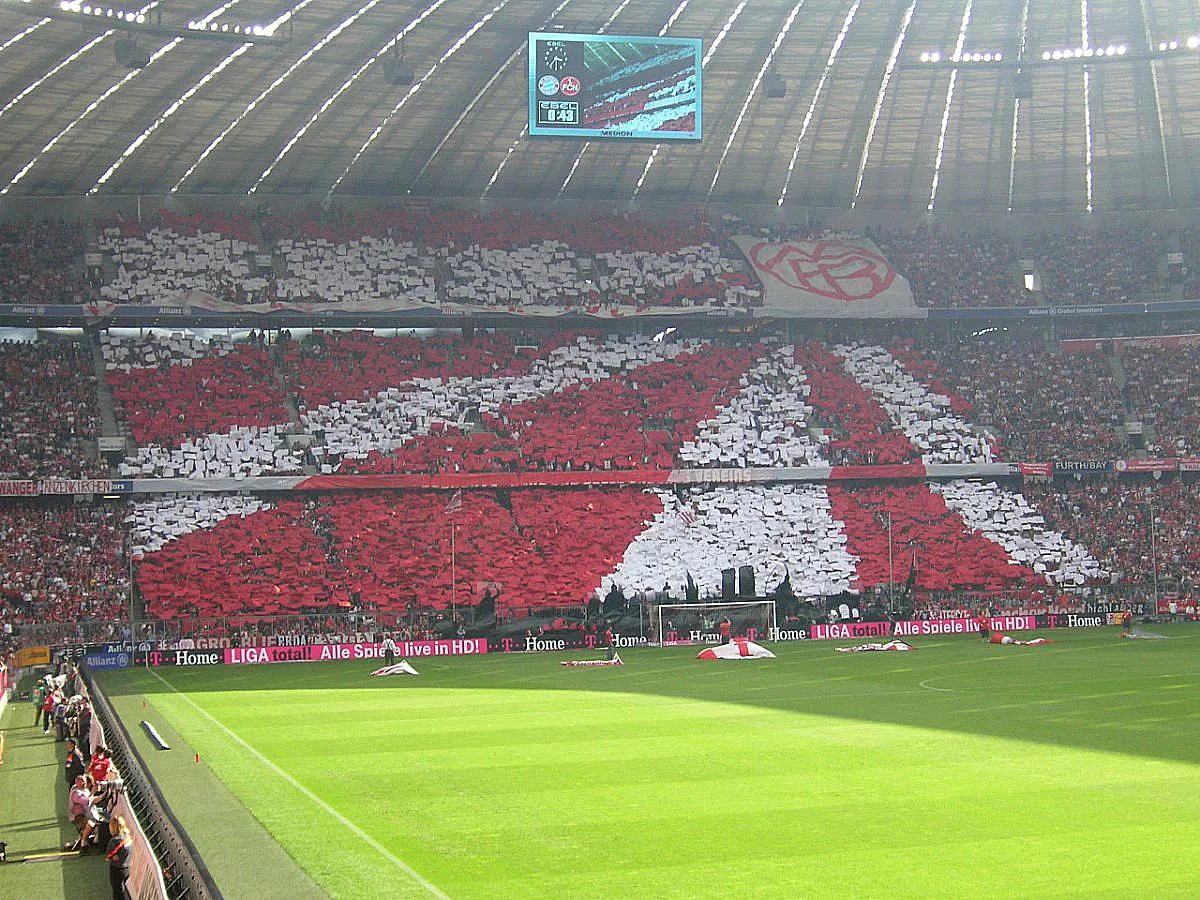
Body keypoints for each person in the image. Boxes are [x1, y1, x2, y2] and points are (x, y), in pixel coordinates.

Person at [105, 814, 133, 900]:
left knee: (118, 893)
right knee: (121, 891)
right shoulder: (127, 837)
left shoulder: (114, 841)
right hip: (126, 868)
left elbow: (108, 855)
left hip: (116, 869)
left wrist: (111, 857)